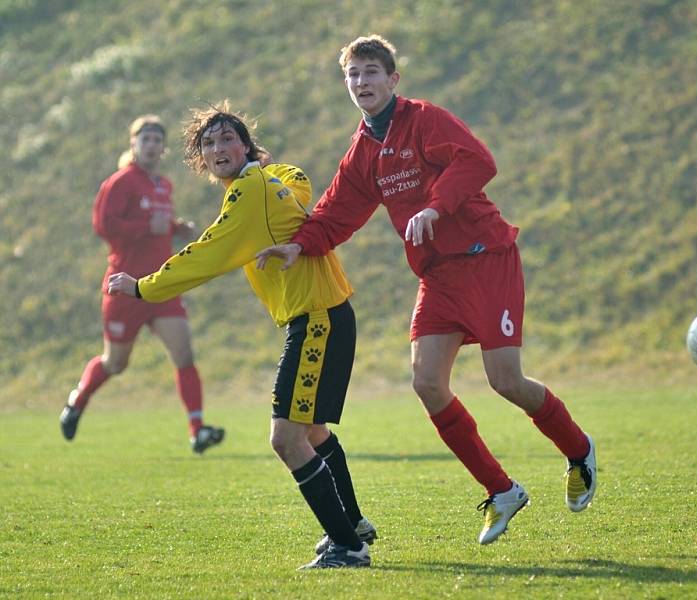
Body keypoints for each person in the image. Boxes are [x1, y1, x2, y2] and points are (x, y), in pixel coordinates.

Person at [256, 34, 598, 545]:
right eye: (353, 75)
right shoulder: (363, 152)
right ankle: (501, 491)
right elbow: (334, 212)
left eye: (371, 72)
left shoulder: (425, 120)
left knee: (506, 380)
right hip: (439, 277)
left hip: (487, 259)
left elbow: (478, 161)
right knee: (427, 383)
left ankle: (578, 450)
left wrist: (436, 206)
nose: (361, 82)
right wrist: (299, 246)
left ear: (393, 80)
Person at [106, 102, 375, 569]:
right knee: (310, 431)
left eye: (227, 138)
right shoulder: (268, 182)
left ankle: (349, 547)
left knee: (286, 439)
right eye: (208, 144)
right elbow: (297, 178)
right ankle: (350, 525)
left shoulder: (248, 192)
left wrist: (143, 287)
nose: (217, 147)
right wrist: (275, 178)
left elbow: (205, 254)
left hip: (317, 318)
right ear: (201, 160)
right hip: (326, 315)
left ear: (247, 147)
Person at [60, 115, 224, 454]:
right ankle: (77, 401)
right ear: (133, 144)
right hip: (123, 286)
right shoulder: (120, 182)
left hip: (159, 285)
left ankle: (198, 430)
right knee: (115, 363)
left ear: (163, 149)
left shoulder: (163, 185)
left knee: (184, 353)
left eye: (156, 140)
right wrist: (147, 226)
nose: (151, 144)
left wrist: (177, 228)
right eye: (145, 138)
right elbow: (104, 226)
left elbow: (158, 225)